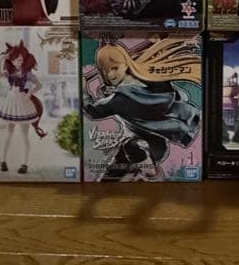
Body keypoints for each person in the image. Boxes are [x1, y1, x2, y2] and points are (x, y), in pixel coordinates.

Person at [83, 40, 201, 181]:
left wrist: (83, 90)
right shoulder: (144, 81)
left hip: (146, 148)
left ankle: (151, 174)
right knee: (111, 174)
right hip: (136, 147)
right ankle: (139, 174)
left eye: (114, 68)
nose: (110, 75)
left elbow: (92, 110)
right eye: (106, 71)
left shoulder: (121, 98)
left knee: (132, 147)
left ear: (126, 64)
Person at [0, 40, 45, 175]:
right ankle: (3, 161)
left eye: (20, 59)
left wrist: (30, 93)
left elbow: (39, 85)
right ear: (11, 60)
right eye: (16, 59)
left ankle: (24, 163)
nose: (19, 62)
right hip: (11, 102)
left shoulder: (27, 73)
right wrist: (0, 59)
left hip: (23, 103)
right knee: (8, 133)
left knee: (24, 134)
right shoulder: (9, 72)